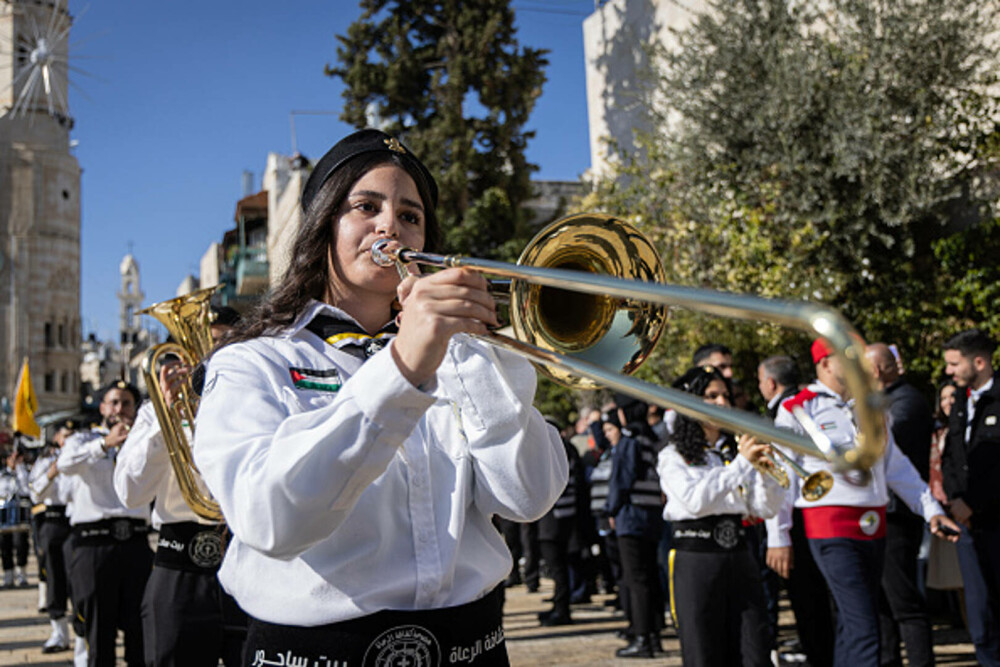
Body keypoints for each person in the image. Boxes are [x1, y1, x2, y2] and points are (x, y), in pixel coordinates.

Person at [191, 128, 568, 666]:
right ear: (324, 224)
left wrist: (467, 354)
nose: (390, 225)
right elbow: (270, 520)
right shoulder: (252, 362)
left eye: (410, 216)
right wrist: (401, 369)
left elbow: (529, 497)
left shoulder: (460, 357)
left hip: (475, 649)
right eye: (366, 206)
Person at [768, 339, 960, 667]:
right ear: (826, 364)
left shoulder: (872, 407)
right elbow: (782, 476)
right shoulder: (798, 407)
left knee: (854, 620)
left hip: (874, 524)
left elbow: (895, 466)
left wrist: (931, 510)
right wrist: (778, 536)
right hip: (828, 525)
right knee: (865, 625)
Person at [114, 319, 245, 666]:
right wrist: (164, 417)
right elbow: (129, 493)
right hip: (179, 565)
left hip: (248, 560)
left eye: (226, 343)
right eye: (208, 343)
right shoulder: (151, 414)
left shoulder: (257, 403)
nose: (214, 353)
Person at [658, 365, 784, 666]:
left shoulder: (734, 452)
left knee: (755, 653)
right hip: (696, 558)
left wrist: (766, 473)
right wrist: (742, 465)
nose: (722, 403)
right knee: (704, 653)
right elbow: (695, 500)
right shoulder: (673, 455)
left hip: (740, 556)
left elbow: (765, 508)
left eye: (725, 396)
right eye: (711, 396)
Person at [58, 380, 153, 667]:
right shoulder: (84, 439)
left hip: (136, 543)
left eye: (126, 403)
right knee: (99, 631)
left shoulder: (146, 439)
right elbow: (65, 463)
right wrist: (104, 444)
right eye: (113, 402)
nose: (119, 408)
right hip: (94, 545)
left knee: (140, 629)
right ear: (102, 407)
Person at [759, 355, 834, 667]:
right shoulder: (812, 404)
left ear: (771, 383)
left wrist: (779, 535)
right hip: (819, 514)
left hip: (802, 518)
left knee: (810, 601)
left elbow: (783, 478)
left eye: (760, 380)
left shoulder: (788, 411)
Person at [865, 342, 937, 667]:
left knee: (904, 602)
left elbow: (889, 453)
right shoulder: (877, 402)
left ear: (876, 371)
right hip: (878, 515)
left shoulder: (906, 402)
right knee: (881, 603)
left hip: (897, 517)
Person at [941, 328, 1000, 665]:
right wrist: (955, 499)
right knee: (980, 616)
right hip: (967, 525)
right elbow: (952, 455)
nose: (949, 372)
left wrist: (973, 502)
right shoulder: (961, 401)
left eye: (954, 364)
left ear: (978, 361)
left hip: (993, 520)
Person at [606, 394, 665, 658]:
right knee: (650, 576)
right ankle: (653, 635)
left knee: (636, 579)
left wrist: (612, 509)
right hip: (652, 515)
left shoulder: (629, 440)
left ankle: (642, 638)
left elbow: (622, 479)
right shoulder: (651, 439)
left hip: (631, 516)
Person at [28, 421, 77, 654]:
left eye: (73, 435)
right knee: (54, 578)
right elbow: (35, 491)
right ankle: (58, 633)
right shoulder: (46, 461)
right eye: (65, 435)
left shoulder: (84, 458)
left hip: (78, 522)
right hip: (53, 521)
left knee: (79, 581)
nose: (69, 440)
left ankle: (82, 633)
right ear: (57, 438)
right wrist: (52, 471)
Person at [0, 439, 31, 588]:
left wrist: (20, 469)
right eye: (11, 458)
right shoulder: (1, 475)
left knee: (21, 544)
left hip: (19, 514)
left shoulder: (23, 472)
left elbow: (26, 489)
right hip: (4, 515)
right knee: (5, 546)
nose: (14, 461)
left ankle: (22, 574)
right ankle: (8, 575)